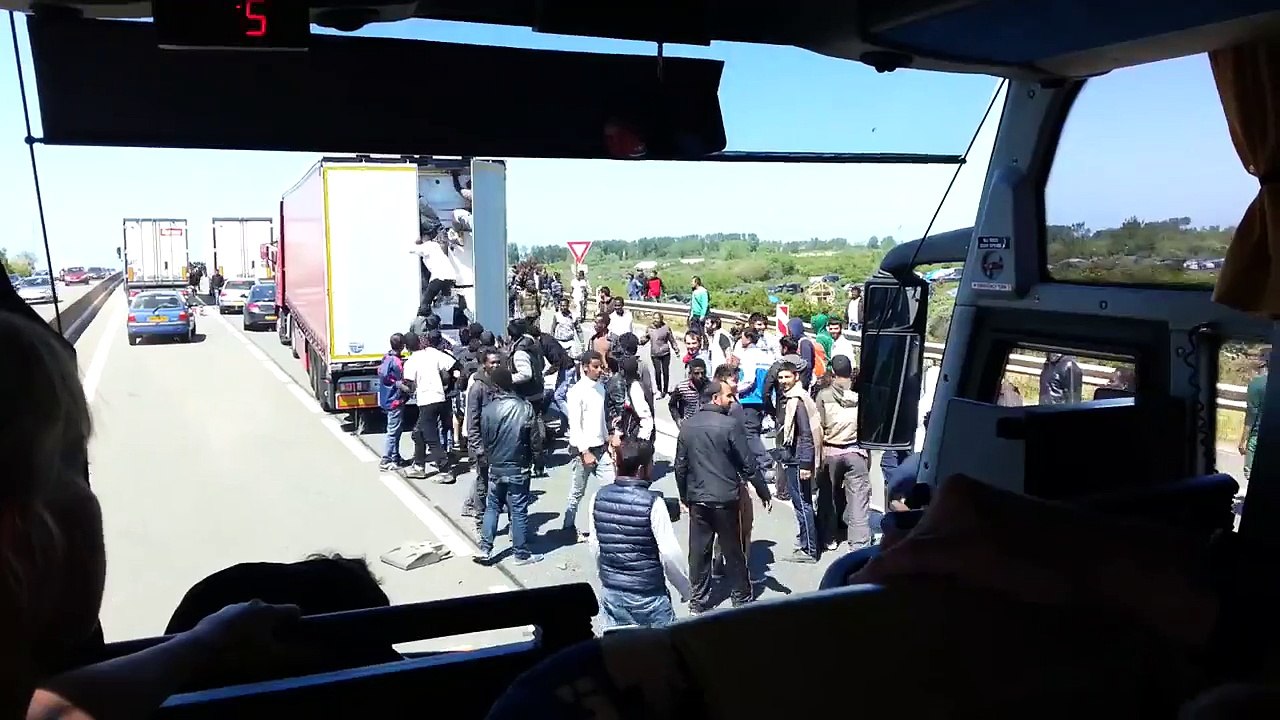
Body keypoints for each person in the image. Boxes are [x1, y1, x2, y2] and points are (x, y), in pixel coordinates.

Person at [674, 380, 771, 614]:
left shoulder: (687, 427)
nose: (732, 400)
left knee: (699, 550)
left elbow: (680, 466)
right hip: (726, 499)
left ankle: (697, 600)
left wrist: (684, 496)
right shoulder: (729, 426)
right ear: (716, 398)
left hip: (698, 498)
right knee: (733, 550)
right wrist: (762, 490)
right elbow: (747, 463)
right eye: (728, 396)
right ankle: (741, 597)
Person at [585, 438, 691, 629]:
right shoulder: (653, 503)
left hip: (613, 592)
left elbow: (595, 545)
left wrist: (606, 576)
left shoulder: (597, 497)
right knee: (665, 650)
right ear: (642, 468)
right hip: (648, 595)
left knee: (619, 652)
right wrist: (684, 588)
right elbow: (669, 553)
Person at [474, 367, 544, 566]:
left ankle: (485, 548)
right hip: (519, 467)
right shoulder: (524, 407)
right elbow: (534, 440)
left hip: (495, 466)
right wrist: (538, 462)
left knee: (493, 507)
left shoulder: (487, 409)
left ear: (495, 386)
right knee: (519, 510)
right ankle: (520, 554)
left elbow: (484, 439)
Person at [814, 355, 872, 551]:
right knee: (859, 500)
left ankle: (829, 538)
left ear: (833, 371)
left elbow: (818, 428)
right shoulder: (862, 396)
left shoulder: (823, 395)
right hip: (856, 452)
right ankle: (859, 544)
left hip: (831, 451)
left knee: (827, 497)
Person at [564, 351, 618, 537]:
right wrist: (584, 451)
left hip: (601, 448)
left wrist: (607, 440)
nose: (599, 370)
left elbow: (601, 419)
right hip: (582, 450)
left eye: (600, 366)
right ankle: (568, 527)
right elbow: (575, 425)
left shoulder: (600, 388)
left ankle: (609, 526)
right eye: (595, 366)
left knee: (611, 486)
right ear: (585, 367)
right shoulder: (576, 392)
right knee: (577, 492)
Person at [774, 361, 822, 563]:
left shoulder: (798, 401)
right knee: (801, 503)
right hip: (793, 458)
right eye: (781, 377)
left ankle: (810, 550)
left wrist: (804, 464)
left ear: (796, 376)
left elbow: (806, 435)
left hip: (798, 460)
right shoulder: (792, 398)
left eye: (787, 377)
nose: (783, 381)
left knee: (802, 504)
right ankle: (805, 542)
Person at [402, 330, 461, 480]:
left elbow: (409, 386)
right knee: (418, 433)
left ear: (406, 347)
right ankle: (419, 465)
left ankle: (445, 469)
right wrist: (450, 384)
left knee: (431, 436)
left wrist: (398, 385)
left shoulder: (411, 361)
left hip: (426, 400)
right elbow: (455, 365)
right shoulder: (433, 353)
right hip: (441, 398)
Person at [462, 348, 504, 529]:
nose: (495, 365)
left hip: (499, 442)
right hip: (483, 444)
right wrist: (478, 448)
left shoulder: (499, 383)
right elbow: (472, 421)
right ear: (484, 364)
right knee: (482, 483)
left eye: (497, 362)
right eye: (492, 362)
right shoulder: (477, 388)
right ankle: (480, 520)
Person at [507, 319, 548, 477]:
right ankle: (539, 461)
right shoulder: (534, 344)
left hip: (526, 394)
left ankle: (532, 461)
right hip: (537, 390)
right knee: (537, 425)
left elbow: (525, 374)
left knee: (528, 431)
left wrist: (509, 378)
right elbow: (542, 365)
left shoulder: (520, 352)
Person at [376, 333, 411, 470]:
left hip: (390, 399)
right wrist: (398, 384)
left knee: (397, 429)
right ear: (402, 346)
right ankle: (386, 459)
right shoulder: (394, 361)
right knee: (393, 430)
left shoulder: (387, 357)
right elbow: (385, 375)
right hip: (394, 400)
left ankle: (395, 457)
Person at [607, 356, 655, 442]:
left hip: (639, 437)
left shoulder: (635, 390)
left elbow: (646, 419)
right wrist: (622, 417)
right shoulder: (631, 385)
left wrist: (640, 442)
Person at [410, 231, 457, 318]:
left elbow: (412, 250)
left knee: (425, 303)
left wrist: (414, 242)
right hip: (450, 277)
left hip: (439, 277)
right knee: (444, 301)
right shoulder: (435, 246)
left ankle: (421, 322)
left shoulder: (428, 246)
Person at [1241, 349, 1269, 481]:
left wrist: (1243, 441)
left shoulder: (1256, 385)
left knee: (1252, 474)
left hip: (1257, 435)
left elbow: (1251, 415)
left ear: (1263, 363)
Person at [641, 312, 680, 397]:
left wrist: (676, 349)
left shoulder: (666, 328)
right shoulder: (650, 328)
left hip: (665, 353)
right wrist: (641, 341)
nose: (656, 320)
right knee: (657, 372)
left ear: (661, 319)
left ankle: (665, 391)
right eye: (654, 318)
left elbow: (671, 339)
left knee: (665, 371)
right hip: (655, 354)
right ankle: (659, 390)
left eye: (657, 318)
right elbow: (646, 338)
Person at [668, 358, 708, 426]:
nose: (700, 376)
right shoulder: (681, 387)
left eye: (702, 373)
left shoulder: (710, 387)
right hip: (688, 424)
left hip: (705, 424)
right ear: (691, 373)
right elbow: (672, 405)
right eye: (696, 373)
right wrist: (678, 419)